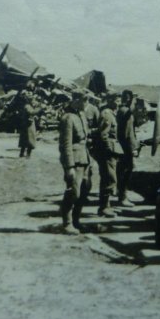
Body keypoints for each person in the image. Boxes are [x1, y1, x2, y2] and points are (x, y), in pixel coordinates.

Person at [58, 90, 92, 235]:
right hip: (75, 161)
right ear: (77, 100)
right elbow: (66, 145)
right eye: (85, 100)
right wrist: (69, 166)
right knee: (73, 192)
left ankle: (76, 221)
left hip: (84, 159)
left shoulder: (81, 115)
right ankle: (67, 223)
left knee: (84, 191)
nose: (87, 103)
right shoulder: (68, 118)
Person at [93, 93, 121, 218]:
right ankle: (104, 207)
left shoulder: (112, 113)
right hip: (107, 152)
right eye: (117, 100)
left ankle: (106, 206)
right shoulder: (107, 114)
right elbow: (103, 135)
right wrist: (109, 150)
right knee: (109, 178)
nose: (119, 103)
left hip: (111, 151)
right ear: (110, 100)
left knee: (109, 178)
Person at [116, 89, 139, 207]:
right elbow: (127, 133)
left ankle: (121, 194)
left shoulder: (123, 111)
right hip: (126, 147)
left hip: (125, 146)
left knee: (123, 171)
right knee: (126, 171)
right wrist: (132, 148)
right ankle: (122, 197)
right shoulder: (125, 112)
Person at [16, 82, 39, 158]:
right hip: (28, 124)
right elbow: (31, 112)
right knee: (29, 139)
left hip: (27, 123)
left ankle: (23, 153)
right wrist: (39, 109)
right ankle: (26, 154)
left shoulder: (28, 104)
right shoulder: (27, 105)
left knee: (25, 139)